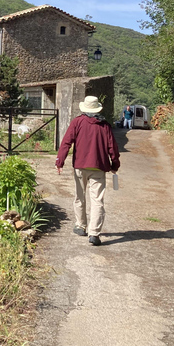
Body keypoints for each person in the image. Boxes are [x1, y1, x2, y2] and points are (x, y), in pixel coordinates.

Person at [55, 96, 120, 246]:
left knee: (80, 196)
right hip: (99, 167)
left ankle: (80, 225)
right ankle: (94, 233)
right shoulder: (105, 126)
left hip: (80, 165)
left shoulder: (77, 122)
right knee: (97, 201)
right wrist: (115, 165)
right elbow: (113, 148)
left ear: (84, 108)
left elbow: (66, 142)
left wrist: (60, 161)